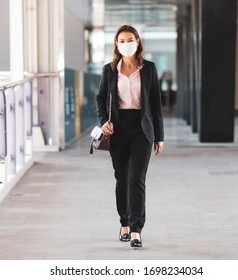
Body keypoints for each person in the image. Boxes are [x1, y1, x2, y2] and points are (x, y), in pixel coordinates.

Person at [96, 25, 164, 248]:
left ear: (138, 41)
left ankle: (136, 230)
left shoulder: (149, 69)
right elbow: (100, 98)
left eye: (130, 39)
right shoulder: (109, 70)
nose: (126, 44)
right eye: (121, 40)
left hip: (142, 129)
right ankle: (124, 223)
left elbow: (156, 104)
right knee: (122, 179)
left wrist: (159, 136)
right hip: (118, 129)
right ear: (116, 44)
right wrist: (103, 122)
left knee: (137, 179)